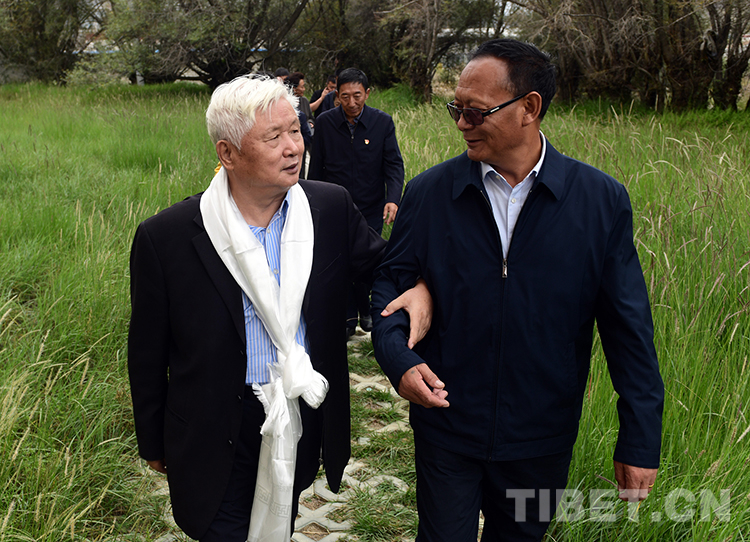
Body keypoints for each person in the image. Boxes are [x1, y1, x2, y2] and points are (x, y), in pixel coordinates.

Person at [371, 38, 664, 541]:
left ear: (529, 107)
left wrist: (639, 438)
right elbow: (389, 285)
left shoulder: (600, 201)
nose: (462, 124)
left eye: (476, 112)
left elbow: (628, 329)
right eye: (456, 110)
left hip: (541, 438)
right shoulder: (430, 193)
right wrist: (398, 360)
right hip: (446, 424)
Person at [128, 75, 428, 542]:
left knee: (281, 516)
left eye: (296, 130)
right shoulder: (167, 236)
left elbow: (382, 268)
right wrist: (152, 438)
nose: (294, 147)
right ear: (228, 153)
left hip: (299, 410)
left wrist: (420, 287)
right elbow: (147, 351)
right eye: (274, 137)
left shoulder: (328, 208)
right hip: (214, 424)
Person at [309, 67, 405, 336]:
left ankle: (368, 309)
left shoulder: (382, 122)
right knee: (339, 259)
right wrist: (311, 202)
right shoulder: (326, 123)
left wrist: (392, 199)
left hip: (370, 205)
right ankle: (349, 316)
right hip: (335, 205)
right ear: (336, 95)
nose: (351, 102)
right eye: (345, 96)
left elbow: (393, 165)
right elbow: (316, 167)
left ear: (367, 93)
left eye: (357, 95)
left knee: (366, 258)